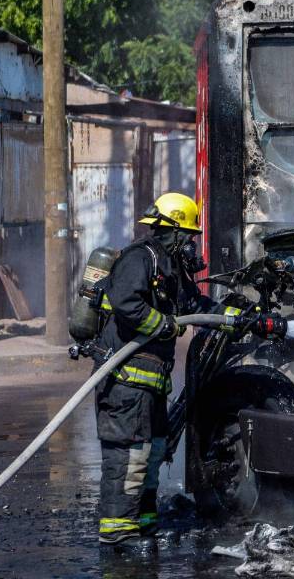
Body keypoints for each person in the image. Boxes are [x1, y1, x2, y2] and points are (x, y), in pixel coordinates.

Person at [92, 192, 283, 544]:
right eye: (189, 236)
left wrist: (236, 319)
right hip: (125, 381)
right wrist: (161, 323)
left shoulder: (169, 268)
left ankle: (143, 524)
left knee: (152, 453)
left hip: (148, 384)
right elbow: (126, 303)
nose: (191, 245)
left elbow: (194, 304)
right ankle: (117, 534)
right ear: (172, 230)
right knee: (129, 453)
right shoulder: (141, 258)